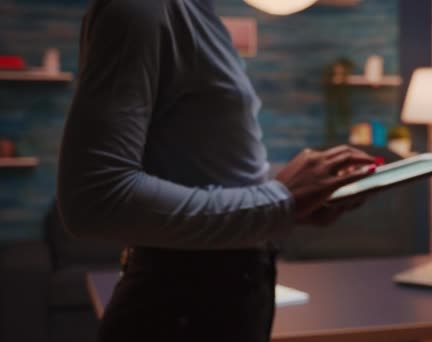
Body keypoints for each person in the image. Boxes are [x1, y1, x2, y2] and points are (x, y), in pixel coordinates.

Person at [56, 0, 377, 341]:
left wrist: (294, 199)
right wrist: (278, 201)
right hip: (181, 309)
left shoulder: (200, 13)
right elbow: (94, 200)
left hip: (227, 300)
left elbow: (206, 172)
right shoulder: (142, 7)